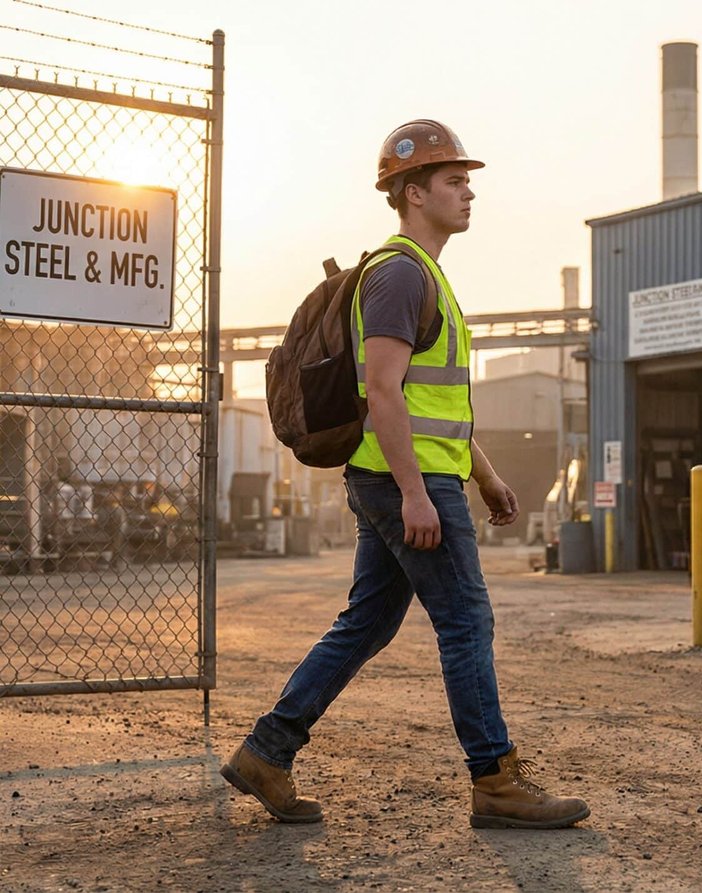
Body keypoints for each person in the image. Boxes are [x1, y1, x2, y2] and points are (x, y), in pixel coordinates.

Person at [221, 119, 590, 830]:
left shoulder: (427, 275)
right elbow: (383, 393)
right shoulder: (397, 275)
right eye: (454, 180)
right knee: (466, 619)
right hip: (404, 483)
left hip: (414, 477)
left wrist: (484, 473)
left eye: (467, 179)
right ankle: (496, 778)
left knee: (367, 622)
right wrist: (418, 492)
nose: (469, 191)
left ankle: (267, 752)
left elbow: (433, 398)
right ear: (413, 192)